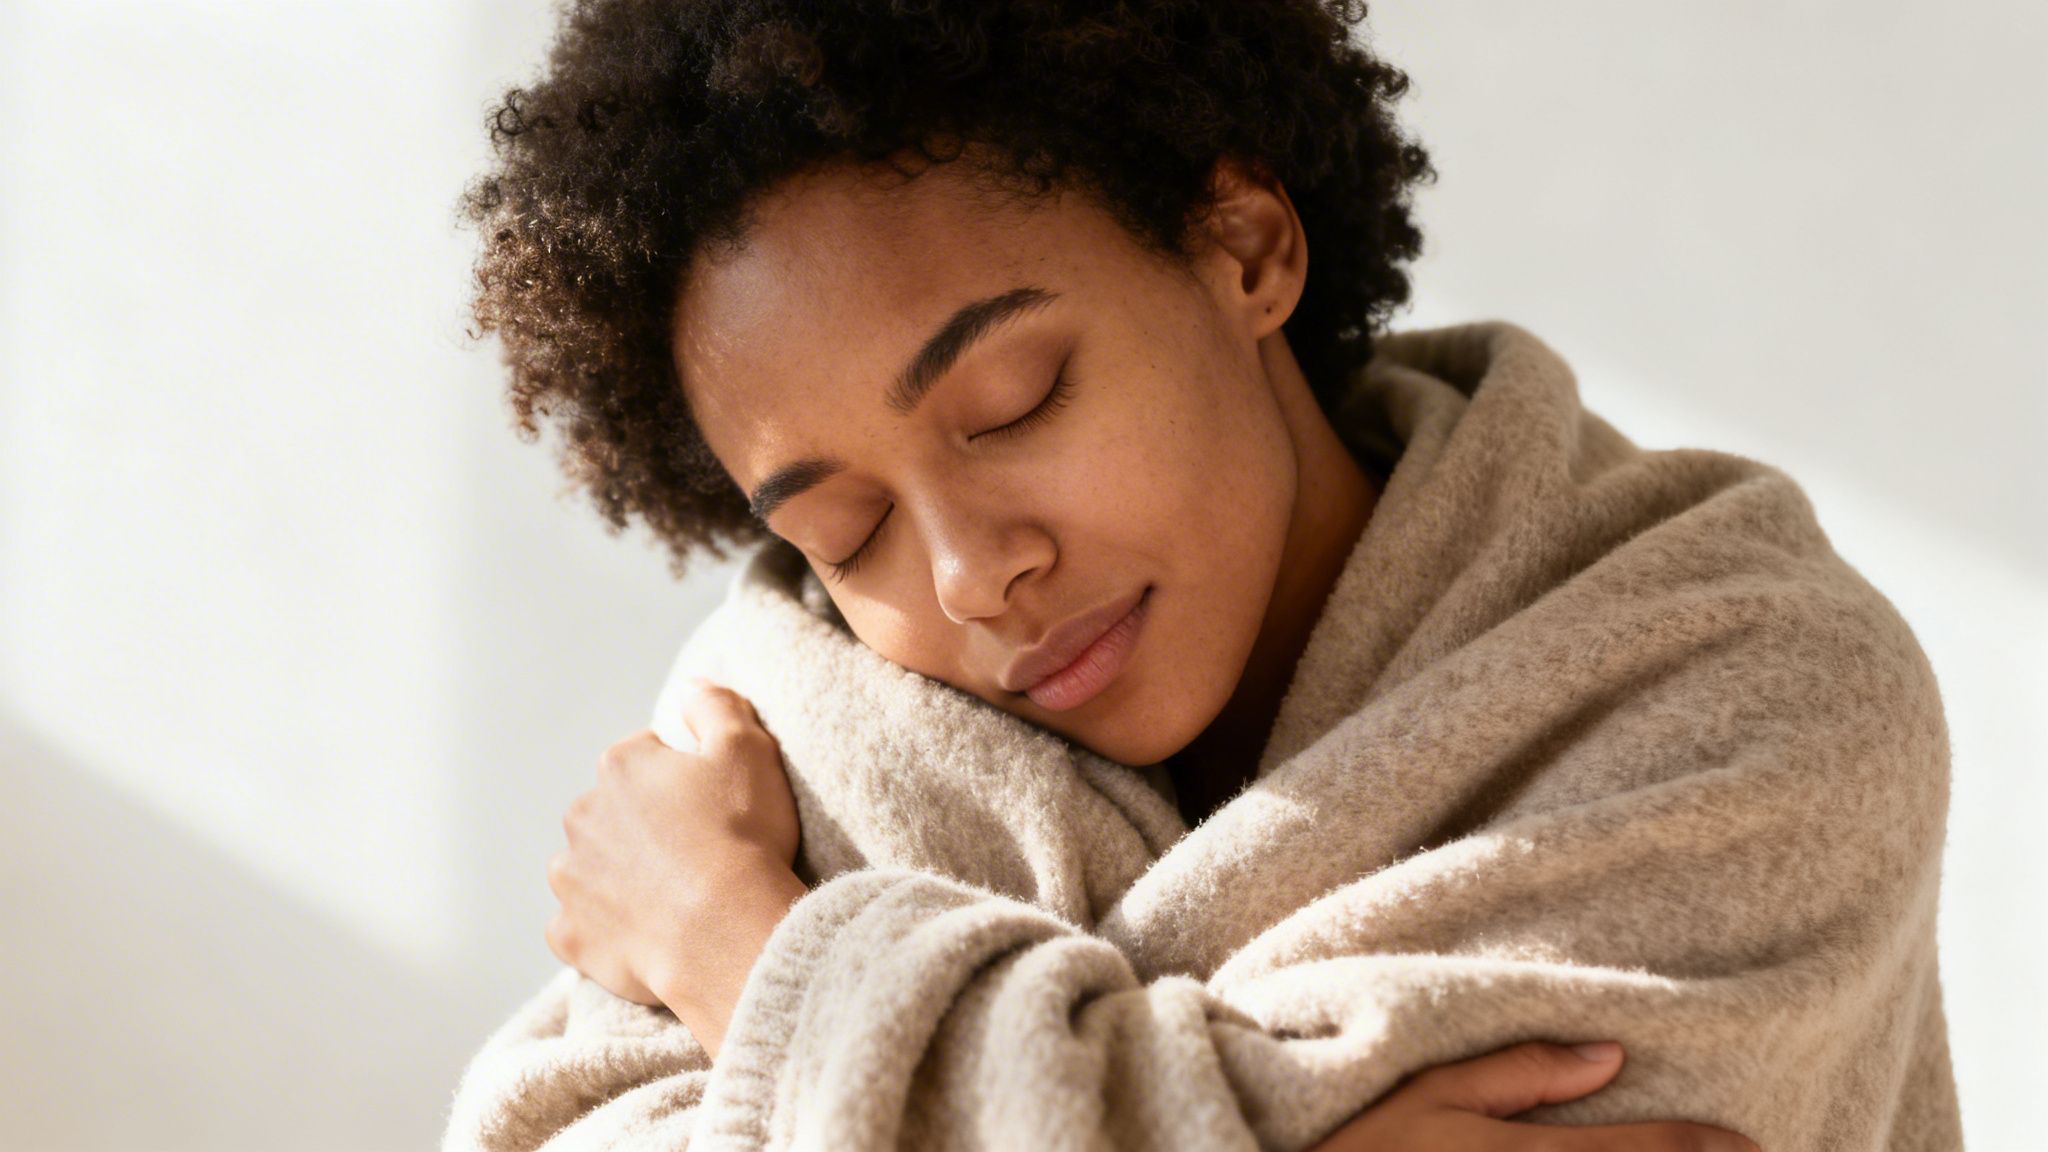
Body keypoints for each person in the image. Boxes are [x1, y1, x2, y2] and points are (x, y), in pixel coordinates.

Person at [445, 2, 1958, 1149]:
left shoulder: (1754, 689)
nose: (971, 573)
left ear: (1245, 249)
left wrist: (741, 951)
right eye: (846, 530)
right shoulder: (775, 740)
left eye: (1015, 402)